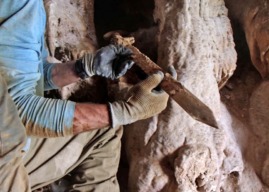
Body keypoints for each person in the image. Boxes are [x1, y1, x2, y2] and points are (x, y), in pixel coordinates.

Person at [0, 0, 176, 191]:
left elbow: (28, 76)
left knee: (101, 135)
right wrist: (125, 112)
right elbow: (21, 114)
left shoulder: (27, 6)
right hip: (5, 155)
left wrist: (83, 67)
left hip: (12, 144)